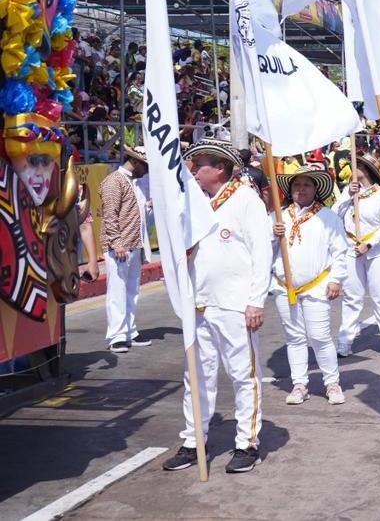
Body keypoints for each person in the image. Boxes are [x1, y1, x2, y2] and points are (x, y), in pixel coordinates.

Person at [163, 139, 272, 474]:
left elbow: (262, 250)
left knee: (243, 374)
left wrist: (256, 300)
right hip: (198, 303)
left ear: (220, 168)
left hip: (235, 304)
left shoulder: (244, 198)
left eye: (200, 164)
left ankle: (246, 443)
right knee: (196, 377)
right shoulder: (192, 203)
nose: (194, 170)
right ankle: (194, 439)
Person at [270, 165, 348, 406]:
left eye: (306, 185)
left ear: (316, 189)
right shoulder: (278, 217)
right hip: (285, 287)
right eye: (296, 185)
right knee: (294, 337)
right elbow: (261, 248)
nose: (300, 189)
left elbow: (340, 250)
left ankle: (332, 383)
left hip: (317, 286)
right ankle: (299, 384)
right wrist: (273, 234)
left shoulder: (327, 217)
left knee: (320, 336)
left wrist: (336, 279)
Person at [332, 154, 380, 357]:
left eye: (358, 165)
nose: (353, 168)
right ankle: (345, 342)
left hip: (378, 251)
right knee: (352, 297)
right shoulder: (348, 192)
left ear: (367, 170)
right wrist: (347, 197)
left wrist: (369, 244)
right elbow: (333, 216)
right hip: (352, 249)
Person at [98, 146, 151, 353]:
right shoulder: (114, 181)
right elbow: (110, 215)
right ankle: (117, 335)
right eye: (145, 166)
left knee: (131, 291)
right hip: (120, 246)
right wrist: (117, 242)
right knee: (118, 291)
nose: (146, 171)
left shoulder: (131, 181)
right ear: (136, 162)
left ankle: (129, 331)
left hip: (133, 244)